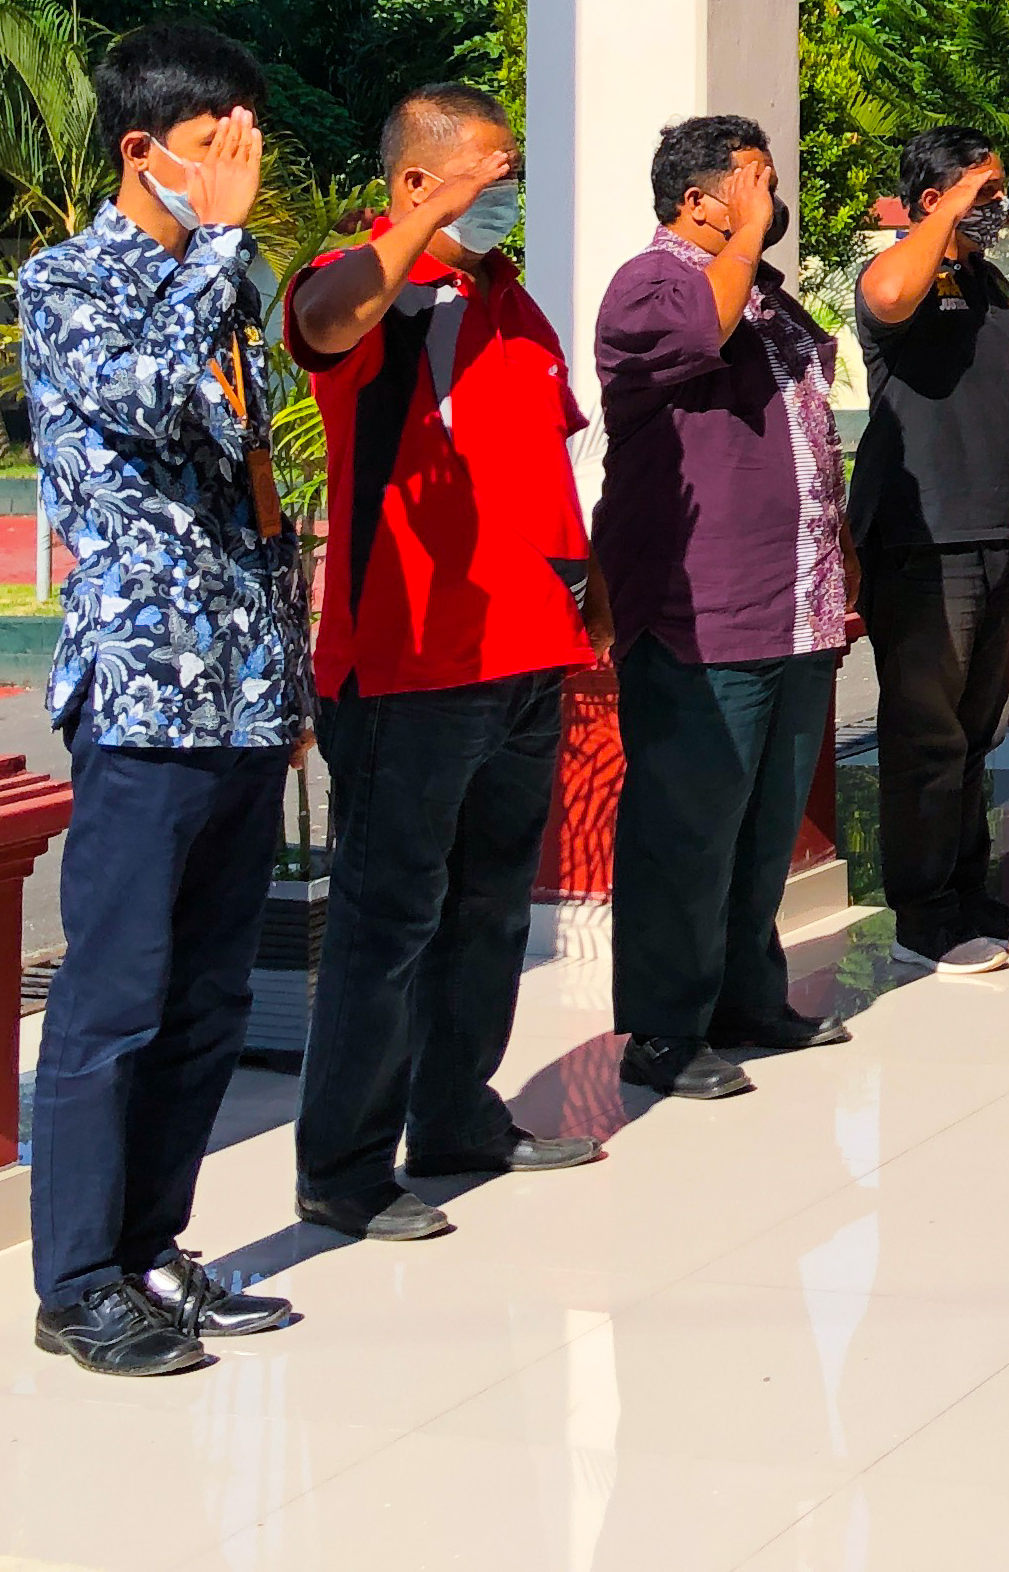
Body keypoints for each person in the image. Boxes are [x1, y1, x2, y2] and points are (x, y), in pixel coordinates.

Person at [18, 23, 308, 1375]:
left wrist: (284, 678)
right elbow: (140, 403)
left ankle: (148, 1248)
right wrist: (219, 250)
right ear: (145, 151)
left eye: (247, 143)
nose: (239, 169)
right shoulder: (67, 280)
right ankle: (75, 1282)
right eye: (215, 145)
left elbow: (254, 487)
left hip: (241, 690)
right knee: (116, 998)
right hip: (144, 692)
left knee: (207, 1001)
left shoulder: (223, 284)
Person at [281, 83, 604, 1248]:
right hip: (409, 667)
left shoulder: (509, 301)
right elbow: (323, 324)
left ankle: (457, 1116)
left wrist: (588, 593)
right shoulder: (375, 288)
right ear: (417, 180)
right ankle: (344, 1171)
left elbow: (546, 466)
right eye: (489, 170)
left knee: (487, 911)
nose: (508, 187)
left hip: (528, 654)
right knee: (388, 921)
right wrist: (418, 225)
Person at [593, 115, 852, 1096]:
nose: (771, 197)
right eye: (753, 180)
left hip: (797, 600)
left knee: (764, 822)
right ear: (697, 199)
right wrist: (744, 239)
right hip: (702, 608)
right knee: (687, 825)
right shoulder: (651, 283)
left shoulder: (767, 294)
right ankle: (663, 1031)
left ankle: (747, 997)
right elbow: (703, 333)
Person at [850, 129, 1009, 979]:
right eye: (983, 190)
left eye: (1000, 189)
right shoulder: (898, 274)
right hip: (918, 534)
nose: (997, 205)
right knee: (926, 736)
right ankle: (923, 917)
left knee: (978, 730)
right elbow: (890, 296)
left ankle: (969, 895)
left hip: (986, 525)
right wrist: (942, 218)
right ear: (932, 199)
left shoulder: (988, 281)